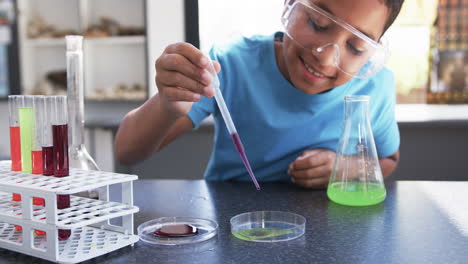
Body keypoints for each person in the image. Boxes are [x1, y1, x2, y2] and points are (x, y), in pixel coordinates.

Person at [115, 0, 404, 189]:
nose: (326, 58)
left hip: (334, 229)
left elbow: (388, 160)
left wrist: (347, 167)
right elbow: (127, 151)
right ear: (290, 5)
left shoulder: (375, 86)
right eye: (317, 23)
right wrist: (168, 104)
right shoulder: (231, 63)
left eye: (356, 46)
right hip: (234, 222)